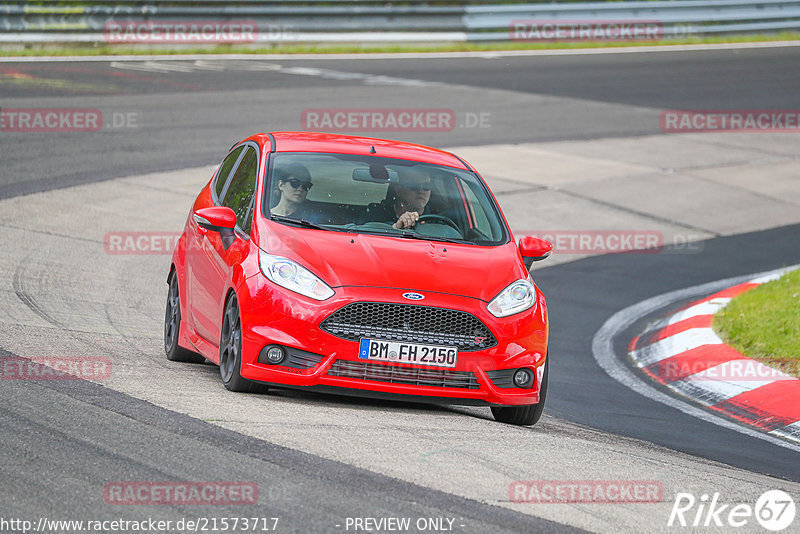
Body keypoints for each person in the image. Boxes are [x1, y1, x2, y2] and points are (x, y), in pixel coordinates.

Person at [361, 167, 433, 229]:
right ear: (398, 189)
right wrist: (395, 227)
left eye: (426, 186)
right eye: (414, 186)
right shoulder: (376, 214)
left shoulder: (438, 220)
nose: (421, 190)